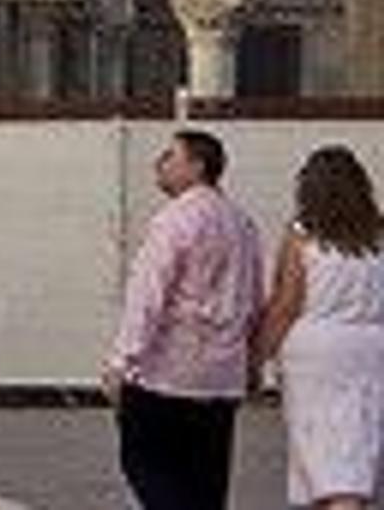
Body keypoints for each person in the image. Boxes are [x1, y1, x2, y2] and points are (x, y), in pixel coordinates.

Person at [108, 126, 266, 510]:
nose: (159, 164)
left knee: (145, 465)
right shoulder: (242, 223)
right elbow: (253, 296)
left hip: (168, 373)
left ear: (197, 166)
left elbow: (148, 294)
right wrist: (252, 362)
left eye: (170, 156)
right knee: (207, 485)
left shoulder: (175, 220)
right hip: (221, 378)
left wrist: (123, 360)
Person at [257, 142, 384, 510]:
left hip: (314, 353)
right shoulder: (378, 235)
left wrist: (257, 355)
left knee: (320, 449)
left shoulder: (301, 235)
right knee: (357, 443)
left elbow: (285, 304)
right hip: (371, 347)